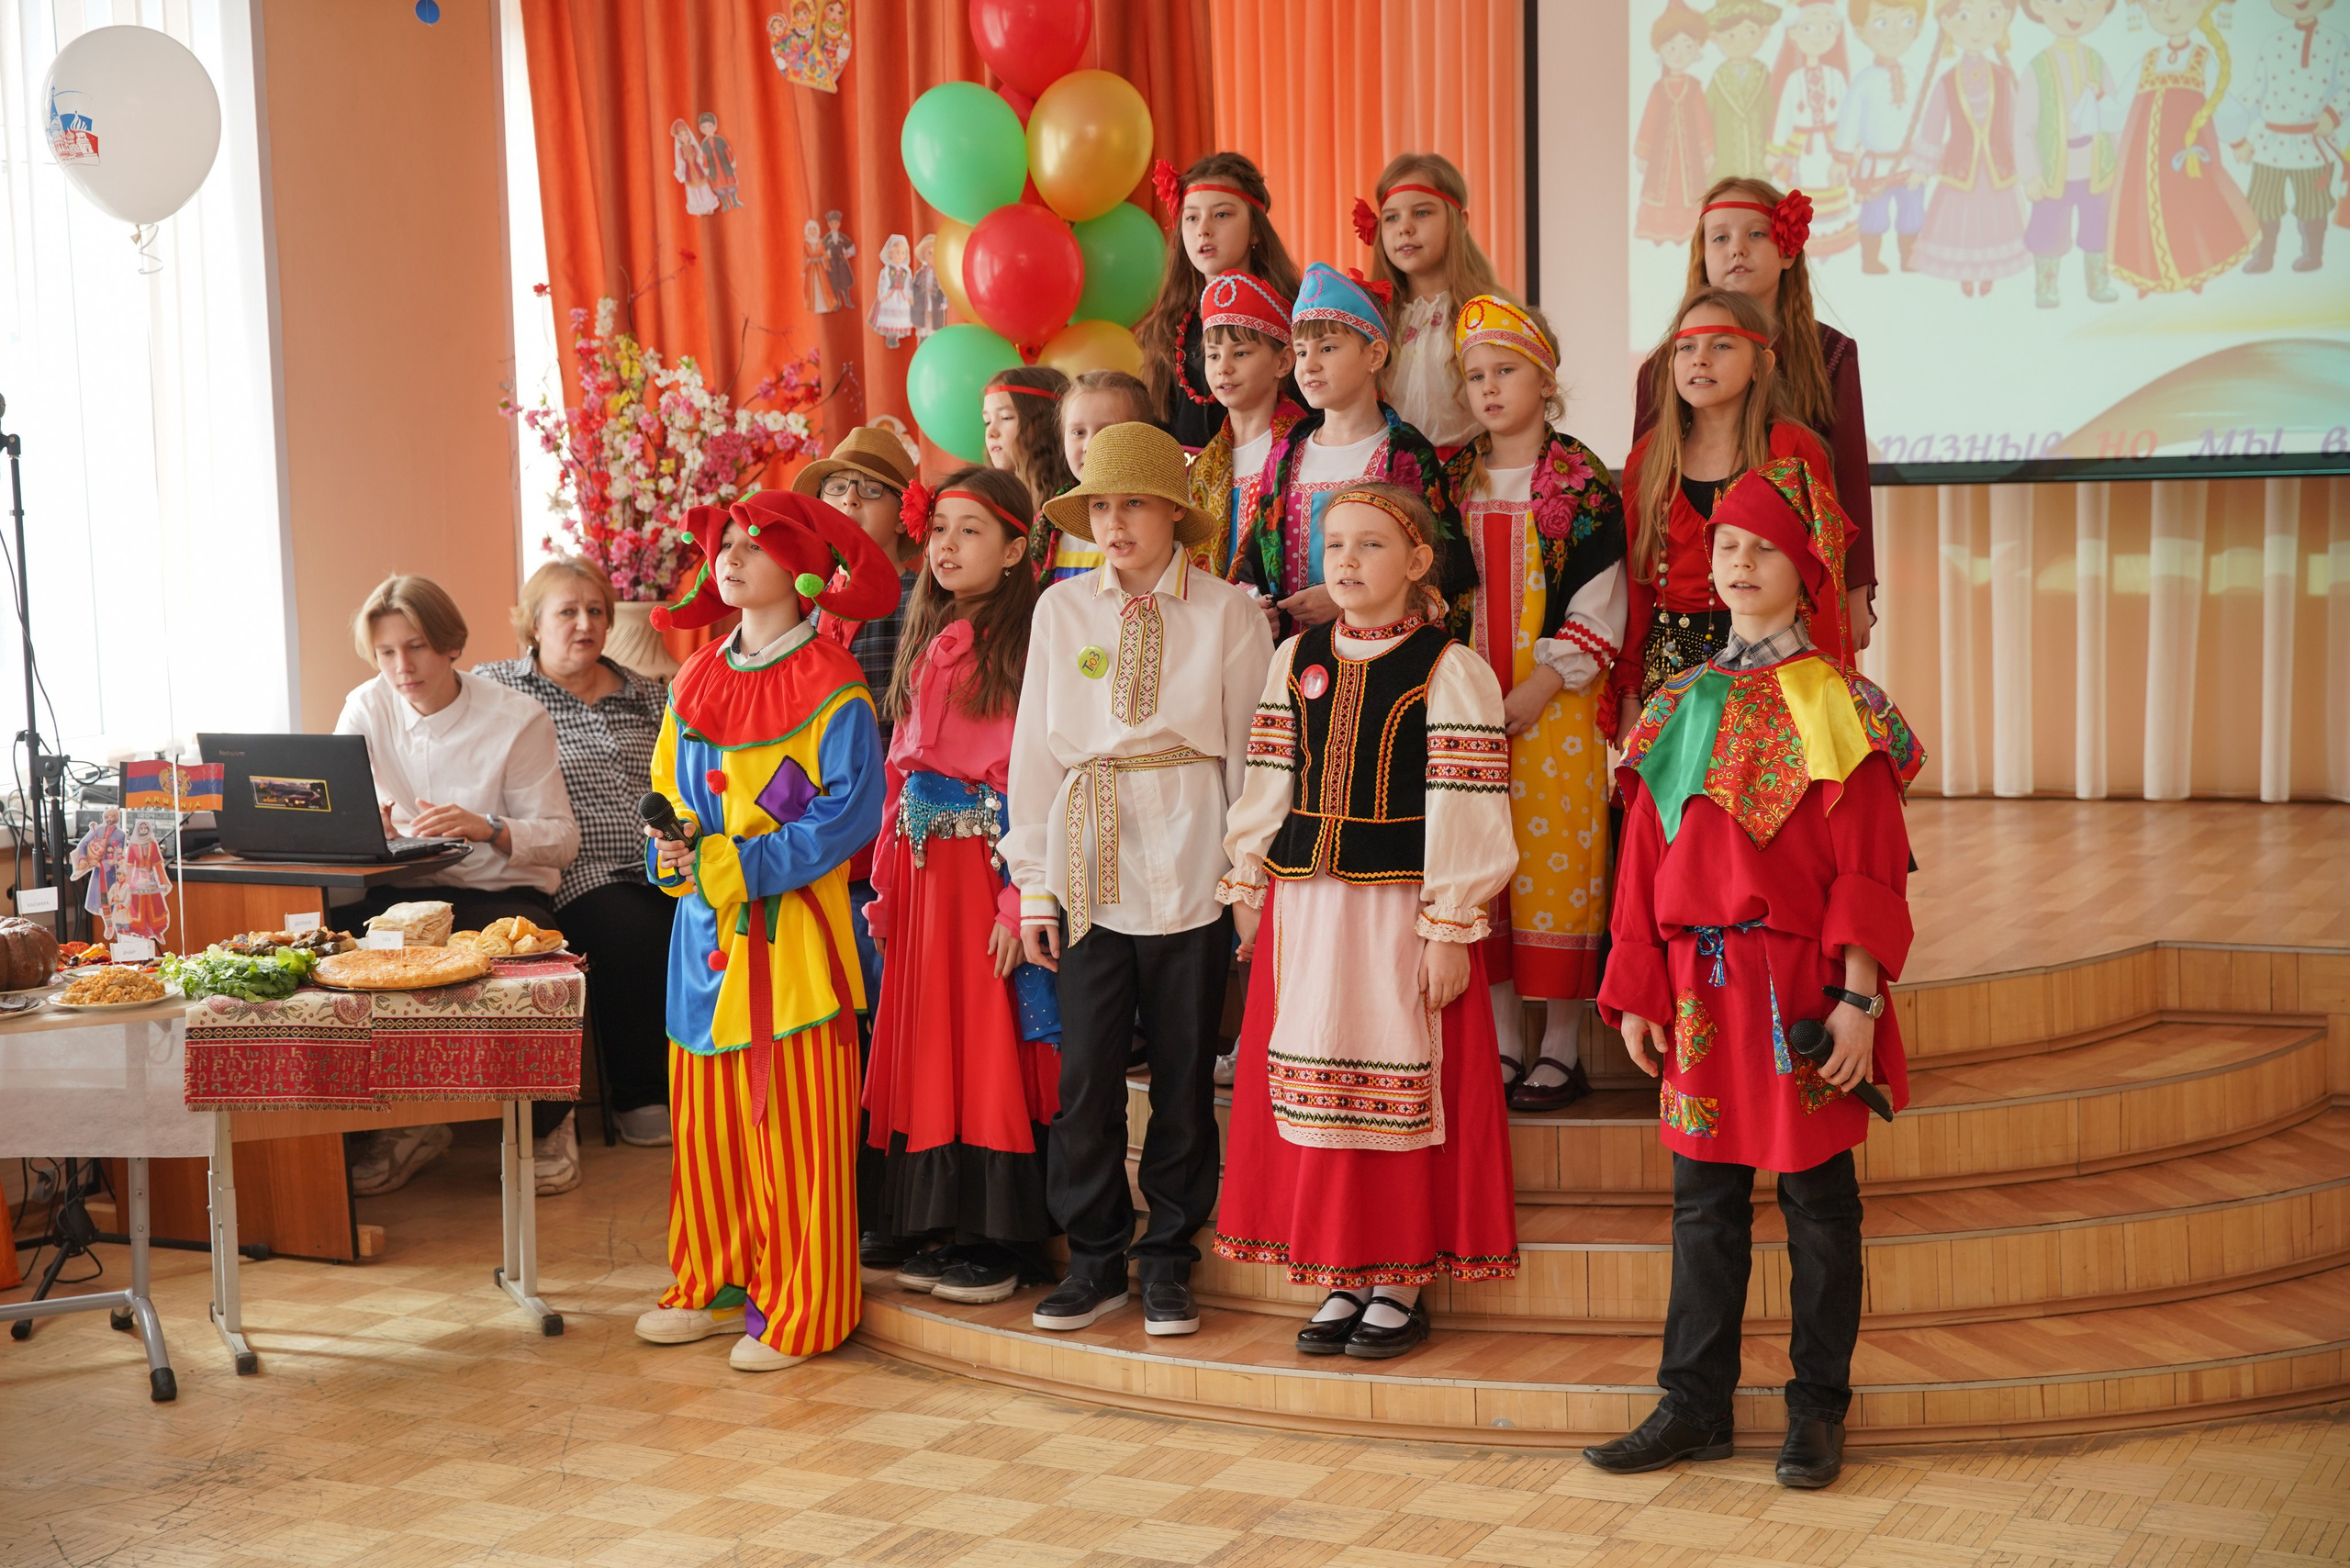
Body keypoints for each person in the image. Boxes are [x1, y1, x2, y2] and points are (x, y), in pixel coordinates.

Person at [1585, 456, 1922, 1490]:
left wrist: (1858, 999)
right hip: (1697, 990)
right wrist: (1639, 983)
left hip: (1801, 997)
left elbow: (1867, 862)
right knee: (1702, 1202)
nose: (1736, 561)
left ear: (1806, 567)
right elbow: (1643, 856)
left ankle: (1816, 1407)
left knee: (1819, 1203)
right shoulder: (1679, 702)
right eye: (1725, 544)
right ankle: (1693, 1403)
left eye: (1761, 546)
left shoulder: (1840, 705)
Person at [1212, 481, 1520, 1361]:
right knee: (1318, 1079)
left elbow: (1467, 807)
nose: (1346, 561)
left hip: (1399, 908)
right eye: (1334, 545)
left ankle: (1399, 1277)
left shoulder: (1448, 668)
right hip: (1308, 905)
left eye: (1371, 545)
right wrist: (1249, 883)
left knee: (1399, 1080)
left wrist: (1451, 924)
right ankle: (1341, 1269)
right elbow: (1270, 776)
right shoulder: (1297, 654)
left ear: (1419, 562)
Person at [1004, 423, 1274, 1337]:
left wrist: (1246, 879)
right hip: (1088, 859)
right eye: (1100, 506)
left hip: (1194, 853)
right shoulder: (1059, 612)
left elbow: (1248, 755)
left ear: (1172, 512)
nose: (1114, 523)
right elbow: (1034, 759)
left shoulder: (1230, 612)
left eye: (1131, 503)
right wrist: (1035, 886)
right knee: (1085, 1076)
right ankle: (1093, 1257)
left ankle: (1167, 1257)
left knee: (1185, 1071)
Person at [630, 491, 893, 1373]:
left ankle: (805, 1302)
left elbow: (849, 813)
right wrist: (673, 857)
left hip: (793, 941)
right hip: (702, 941)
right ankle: (712, 1277)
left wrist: (742, 867)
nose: (731, 559)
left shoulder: (833, 682)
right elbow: (666, 790)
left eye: (753, 545)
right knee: (707, 1123)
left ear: (804, 566)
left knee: (794, 1126)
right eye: (725, 546)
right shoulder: (695, 675)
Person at [863, 467, 1059, 1305]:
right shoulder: (927, 635)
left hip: (987, 871)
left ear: (1017, 548)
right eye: (939, 527)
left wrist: (1022, 898)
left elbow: (1035, 776)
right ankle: (931, 1213)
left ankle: (999, 1233)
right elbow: (901, 777)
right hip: (922, 877)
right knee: (928, 1037)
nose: (946, 545)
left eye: (971, 530)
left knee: (987, 1038)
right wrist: (883, 885)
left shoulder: (1025, 649)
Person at [337, 575, 582, 1196]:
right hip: (402, 893)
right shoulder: (366, 706)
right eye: (387, 652)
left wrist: (491, 827)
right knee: (342, 958)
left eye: (415, 648)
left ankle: (549, 1124)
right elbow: (337, 813)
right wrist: (369, 825)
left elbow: (561, 839)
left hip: (499, 892)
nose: (401, 668)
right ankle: (401, 1124)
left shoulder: (516, 718)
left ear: (450, 645)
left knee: (536, 969)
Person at [1442, 298, 1628, 1113]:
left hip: (1557, 712)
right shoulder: (1453, 478)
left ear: (1545, 379)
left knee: (1556, 868)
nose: (1489, 388)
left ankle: (1559, 1046)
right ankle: (1502, 1042)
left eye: (1505, 370)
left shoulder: (1581, 479)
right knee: (1481, 862)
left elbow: (1601, 604)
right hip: (1466, 711)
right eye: (1475, 375)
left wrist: (1540, 685)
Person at [476, 560, 676, 1148]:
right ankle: (642, 1097)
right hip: (579, 870)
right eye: (567, 612)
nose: (584, 623)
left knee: (716, 927)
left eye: (595, 611)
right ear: (533, 624)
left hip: (664, 862)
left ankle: (713, 1089)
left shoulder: (651, 694)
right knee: (632, 933)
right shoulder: (499, 691)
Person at [1632, 178, 1878, 646]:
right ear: (1702, 255)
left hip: (1793, 601)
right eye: (1720, 237)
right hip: (1684, 620)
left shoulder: (1830, 353)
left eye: (1756, 235)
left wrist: (1855, 589)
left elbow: (1848, 478)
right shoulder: (1665, 368)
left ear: (1787, 252)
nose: (1736, 250)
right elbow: (1647, 505)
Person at [793, 425, 919, 1271]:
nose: (847, 503)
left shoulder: (910, 601)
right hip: (813, 847)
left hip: (883, 845)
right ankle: (831, 1200)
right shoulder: (810, 608)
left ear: (903, 511)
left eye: (867, 491)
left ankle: (888, 1205)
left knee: (883, 1030)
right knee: (830, 1029)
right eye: (835, 490)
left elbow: (889, 731)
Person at [1607, 289, 1842, 744]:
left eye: (1721, 345)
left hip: (1775, 662)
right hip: (1673, 668)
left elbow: (1824, 585)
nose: (1700, 360)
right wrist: (1631, 690)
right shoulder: (1648, 459)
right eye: (1686, 348)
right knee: (1677, 808)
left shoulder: (1793, 451)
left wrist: (1825, 685)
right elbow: (1638, 588)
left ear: (1762, 365)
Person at [1234, 263, 1475, 643]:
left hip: (1380, 656)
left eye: (1328, 348)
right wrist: (1258, 607)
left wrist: (1345, 599)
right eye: (1301, 351)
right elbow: (1256, 564)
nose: (1309, 364)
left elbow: (1441, 573)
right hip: (1288, 660)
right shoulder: (1285, 452)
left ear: (1375, 355)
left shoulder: (1405, 454)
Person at [1136, 153, 1305, 449]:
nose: (1203, 229)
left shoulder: (1295, 315)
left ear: (1255, 229)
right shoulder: (1168, 325)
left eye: (1221, 214)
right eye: (1191, 217)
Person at [2110, 0, 2260, 293]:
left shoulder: (2202, 59)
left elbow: (2221, 104)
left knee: (2189, 207)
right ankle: (2149, 273)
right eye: (2157, 4)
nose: (2169, 10)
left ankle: (2194, 270)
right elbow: (2121, 104)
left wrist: (2238, 139)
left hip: (2187, 155)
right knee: (2143, 207)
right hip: (2143, 156)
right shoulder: (2148, 59)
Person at [1360, 152, 1505, 453]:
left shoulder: (1486, 314)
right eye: (1391, 217)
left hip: (1470, 475)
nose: (1405, 228)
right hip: (1392, 478)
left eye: (1422, 213)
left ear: (1459, 222)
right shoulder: (1372, 317)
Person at [1908, 0, 2032, 297]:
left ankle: (1988, 273)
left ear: (2003, 20)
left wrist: (2029, 168)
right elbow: (1933, 126)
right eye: (1965, 16)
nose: (1978, 27)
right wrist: (1922, 169)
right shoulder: (1947, 81)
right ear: (1949, 24)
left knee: (1994, 224)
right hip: (1959, 170)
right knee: (1960, 226)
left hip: (1998, 169)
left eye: (1990, 15)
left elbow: (2017, 126)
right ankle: (1966, 275)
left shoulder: (2004, 78)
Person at [2018, 0, 2126, 306]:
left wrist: (2120, 164)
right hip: (2053, 173)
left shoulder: (2096, 60)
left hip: (2097, 167)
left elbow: (2113, 116)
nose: (2076, 11)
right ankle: (2046, 287)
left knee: (2099, 229)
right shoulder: (2037, 67)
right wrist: (2030, 173)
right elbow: (2023, 127)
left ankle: (2098, 282)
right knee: (2048, 232)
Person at [2232, 0, 2346, 274]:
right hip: (2270, 142)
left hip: (2314, 144)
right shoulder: (2273, 42)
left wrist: (2332, 114)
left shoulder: (2337, 41)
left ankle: (2314, 255)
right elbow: (2256, 91)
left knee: (2313, 206)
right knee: (2262, 204)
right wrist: (2235, 131)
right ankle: (2263, 256)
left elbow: (2347, 85)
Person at [1835, 0, 1931, 274]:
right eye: (1881, 22)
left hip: (1909, 164)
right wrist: (1842, 158)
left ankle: (1909, 258)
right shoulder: (1864, 81)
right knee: (1874, 216)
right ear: (1860, 30)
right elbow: (1849, 120)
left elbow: (1924, 122)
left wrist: (1924, 162)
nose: (1894, 33)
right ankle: (1870, 259)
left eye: (1906, 21)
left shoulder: (1912, 78)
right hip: (1875, 166)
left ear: (1918, 27)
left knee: (1912, 214)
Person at [1039, 370, 1154, 584]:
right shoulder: (1050, 525)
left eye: (1106, 432)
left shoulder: (1155, 518)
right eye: (1078, 432)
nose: (1090, 445)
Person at [1768, 2, 1861, 256]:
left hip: (1831, 149)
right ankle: (1803, 249)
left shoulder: (1837, 77)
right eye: (1809, 27)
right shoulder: (1793, 79)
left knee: (1831, 192)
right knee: (1802, 194)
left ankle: (1833, 247)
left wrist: (1853, 148)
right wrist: (1774, 151)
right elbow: (1784, 117)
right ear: (1793, 33)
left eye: (1828, 27)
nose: (1820, 35)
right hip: (1802, 152)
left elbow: (1848, 118)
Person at [1639, 3, 1718, 243]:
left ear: (1696, 49)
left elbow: (1703, 121)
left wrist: (1707, 152)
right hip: (1661, 155)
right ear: (1660, 49)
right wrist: (1643, 153)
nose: (1679, 53)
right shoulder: (1658, 88)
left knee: (1690, 195)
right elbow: (1648, 122)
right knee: (1660, 192)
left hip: (1690, 156)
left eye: (1687, 46)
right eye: (1671, 47)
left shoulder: (1694, 87)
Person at [980, 364, 1073, 535]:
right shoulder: (991, 504)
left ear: (1043, 423)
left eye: (1006, 417)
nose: (991, 432)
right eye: (987, 421)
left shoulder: (1075, 508)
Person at [1710, 0, 1785, 182]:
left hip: (1759, 160)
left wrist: (1774, 149)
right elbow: (1707, 117)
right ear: (1715, 37)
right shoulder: (1718, 78)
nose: (1740, 42)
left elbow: (1773, 113)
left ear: (1764, 33)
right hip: (1726, 162)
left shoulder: (1764, 75)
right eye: (1731, 35)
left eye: (1749, 32)